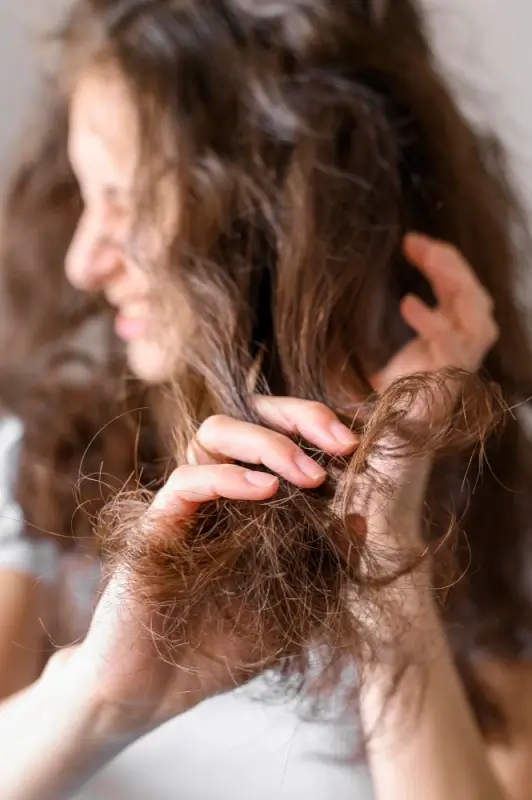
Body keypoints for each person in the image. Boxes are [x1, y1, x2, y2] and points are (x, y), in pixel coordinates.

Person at [0, 1, 531, 798]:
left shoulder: (495, 485)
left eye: (126, 199)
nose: (82, 260)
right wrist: (104, 696)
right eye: (84, 196)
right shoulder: (43, 455)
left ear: (270, 213)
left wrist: (386, 551)